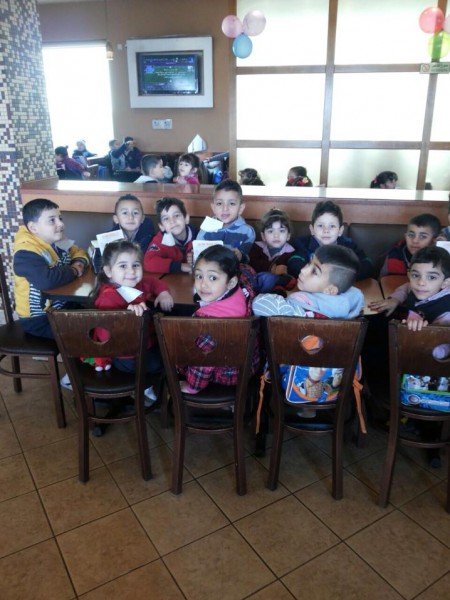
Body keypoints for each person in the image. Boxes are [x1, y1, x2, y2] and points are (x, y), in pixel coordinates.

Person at [253, 245, 363, 414]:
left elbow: (258, 304)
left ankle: (303, 404)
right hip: (337, 382)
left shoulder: (298, 310)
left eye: (314, 271)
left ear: (330, 290)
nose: (303, 270)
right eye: (309, 263)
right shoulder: (353, 307)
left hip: (294, 379)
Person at [370, 246, 450, 467]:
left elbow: (440, 356)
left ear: (446, 282)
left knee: (376, 348)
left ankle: (426, 431)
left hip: (437, 377)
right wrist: (396, 299)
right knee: (374, 330)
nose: (420, 283)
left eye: (431, 277)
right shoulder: (421, 289)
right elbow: (406, 287)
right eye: (415, 275)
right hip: (415, 362)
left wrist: (420, 337)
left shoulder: (445, 314)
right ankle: (398, 413)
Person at [91, 240, 174, 401]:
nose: (131, 271)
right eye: (123, 266)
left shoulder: (135, 284)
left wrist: (163, 293)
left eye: (136, 265)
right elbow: (106, 338)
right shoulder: (108, 298)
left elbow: (153, 282)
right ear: (108, 271)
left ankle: (151, 385)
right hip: (127, 357)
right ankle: (147, 386)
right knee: (170, 357)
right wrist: (128, 318)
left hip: (143, 345)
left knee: (169, 347)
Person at [177, 245, 256, 394]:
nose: (203, 284)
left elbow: (203, 361)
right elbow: (247, 271)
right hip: (246, 364)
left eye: (212, 278)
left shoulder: (211, 325)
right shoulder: (242, 287)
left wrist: (193, 386)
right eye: (199, 276)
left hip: (225, 375)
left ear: (231, 282)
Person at [13, 198, 89, 339]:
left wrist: (78, 262)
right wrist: (73, 270)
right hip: (39, 320)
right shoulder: (26, 253)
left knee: (98, 315)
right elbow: (46, 280)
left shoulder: (56, 240)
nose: (61, 224)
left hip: (61, 306)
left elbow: (78, 251)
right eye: (52, 220)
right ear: (33, 228)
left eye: (60, 218)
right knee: (87, 332)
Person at [287, 200, 372, 280]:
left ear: (340, 231)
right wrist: (320, 276)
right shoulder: (303, 244)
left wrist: (344, 276)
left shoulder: (348, 245)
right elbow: (293, 264)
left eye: (332, 226)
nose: (326, 230)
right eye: (320, 226)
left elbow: (367, 263)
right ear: (312, 229)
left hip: (340, 286)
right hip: (313, 287)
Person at [196, 179, 256, 262]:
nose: (225, 209)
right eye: (219, 203)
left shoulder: (247, 232)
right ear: (213, 208)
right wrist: (194, 257)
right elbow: (199, 255)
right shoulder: (206, 228)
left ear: (241, 208)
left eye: (232, 203)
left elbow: (247, 259)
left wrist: (241, 256)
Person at [144, 197, 197, 273]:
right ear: (161, 227)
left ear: (186, 219)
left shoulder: (200, 237)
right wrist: (181, 266)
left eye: (176, 215)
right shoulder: (160, 240)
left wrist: (197, 258)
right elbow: (147, 262)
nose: (172, 221)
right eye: (166, 219)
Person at [249, 208, 296, 293]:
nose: (276, 235)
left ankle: (278, 290)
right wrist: (272, 268)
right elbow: (252, 263)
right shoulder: (256, 247)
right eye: (270, 231)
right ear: (263, 236)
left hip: (279, 285)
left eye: (281, 231)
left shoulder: (291, 252)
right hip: (257, 282)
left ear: (288, 236)